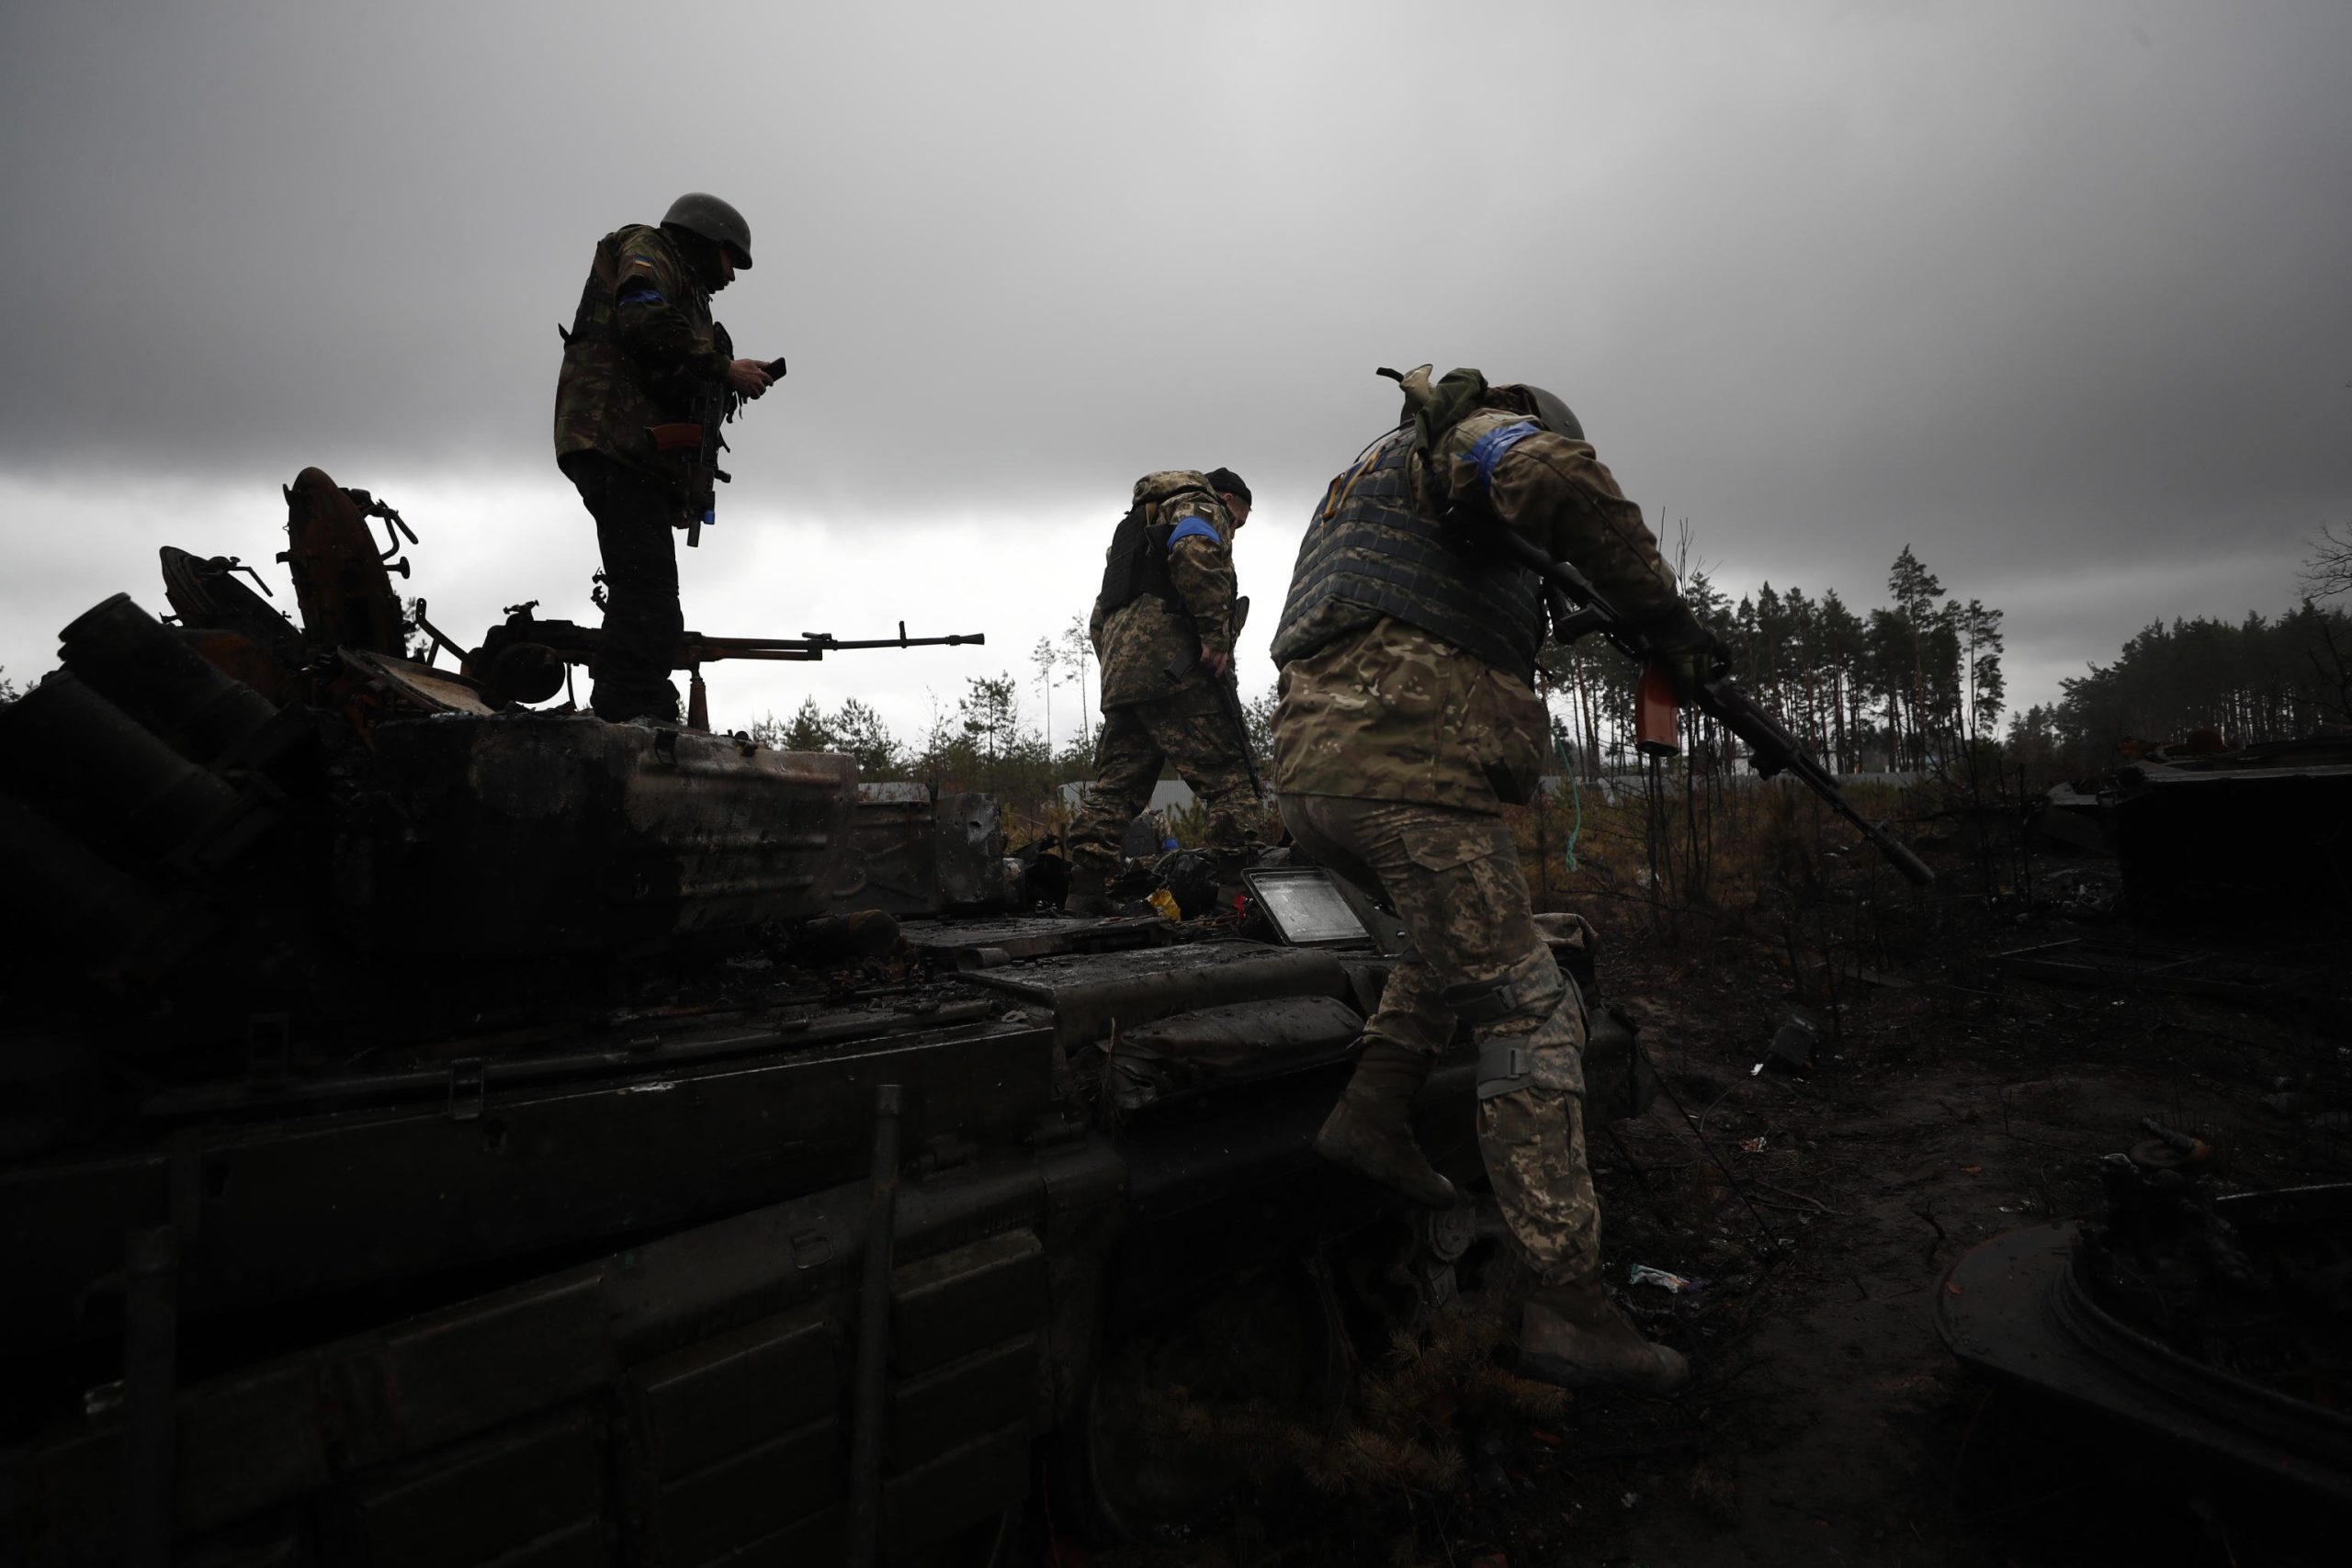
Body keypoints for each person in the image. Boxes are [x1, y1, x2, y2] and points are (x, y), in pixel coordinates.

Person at [1269, 367, 1719, 1394]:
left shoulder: (1371, 480)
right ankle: (1568, 1307)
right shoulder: (1481, 435)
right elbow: (1554, 473)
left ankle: (1373, 1112)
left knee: (1456, 943)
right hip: (1403, 776)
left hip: (1322, 779)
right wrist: (1668, 623)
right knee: (1529, 1007)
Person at [552, 192, 775, 722]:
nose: (731, 275)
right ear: (701, 240)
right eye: (729, 259)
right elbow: (641, 318)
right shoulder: (647, 249)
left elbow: (674, 370)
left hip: (635, 454)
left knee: (647, 587)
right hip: (609, 439)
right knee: (648, 590)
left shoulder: (692, 302)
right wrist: (723, 368)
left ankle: (630, 702)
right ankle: (628, 708)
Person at [1065, 468, 1261, 914]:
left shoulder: (1132, 532)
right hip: (1178, 671)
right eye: (1238, 520)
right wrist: (1214, 635)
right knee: (1230, 778)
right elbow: (1195, 551)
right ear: (1228, 498)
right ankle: (1236, 896)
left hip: (1124, 678)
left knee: (1116, 786)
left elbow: (1100, 616)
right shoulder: (1199, 506)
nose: (1233, 529)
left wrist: (1122, 671)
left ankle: (1084, 890)